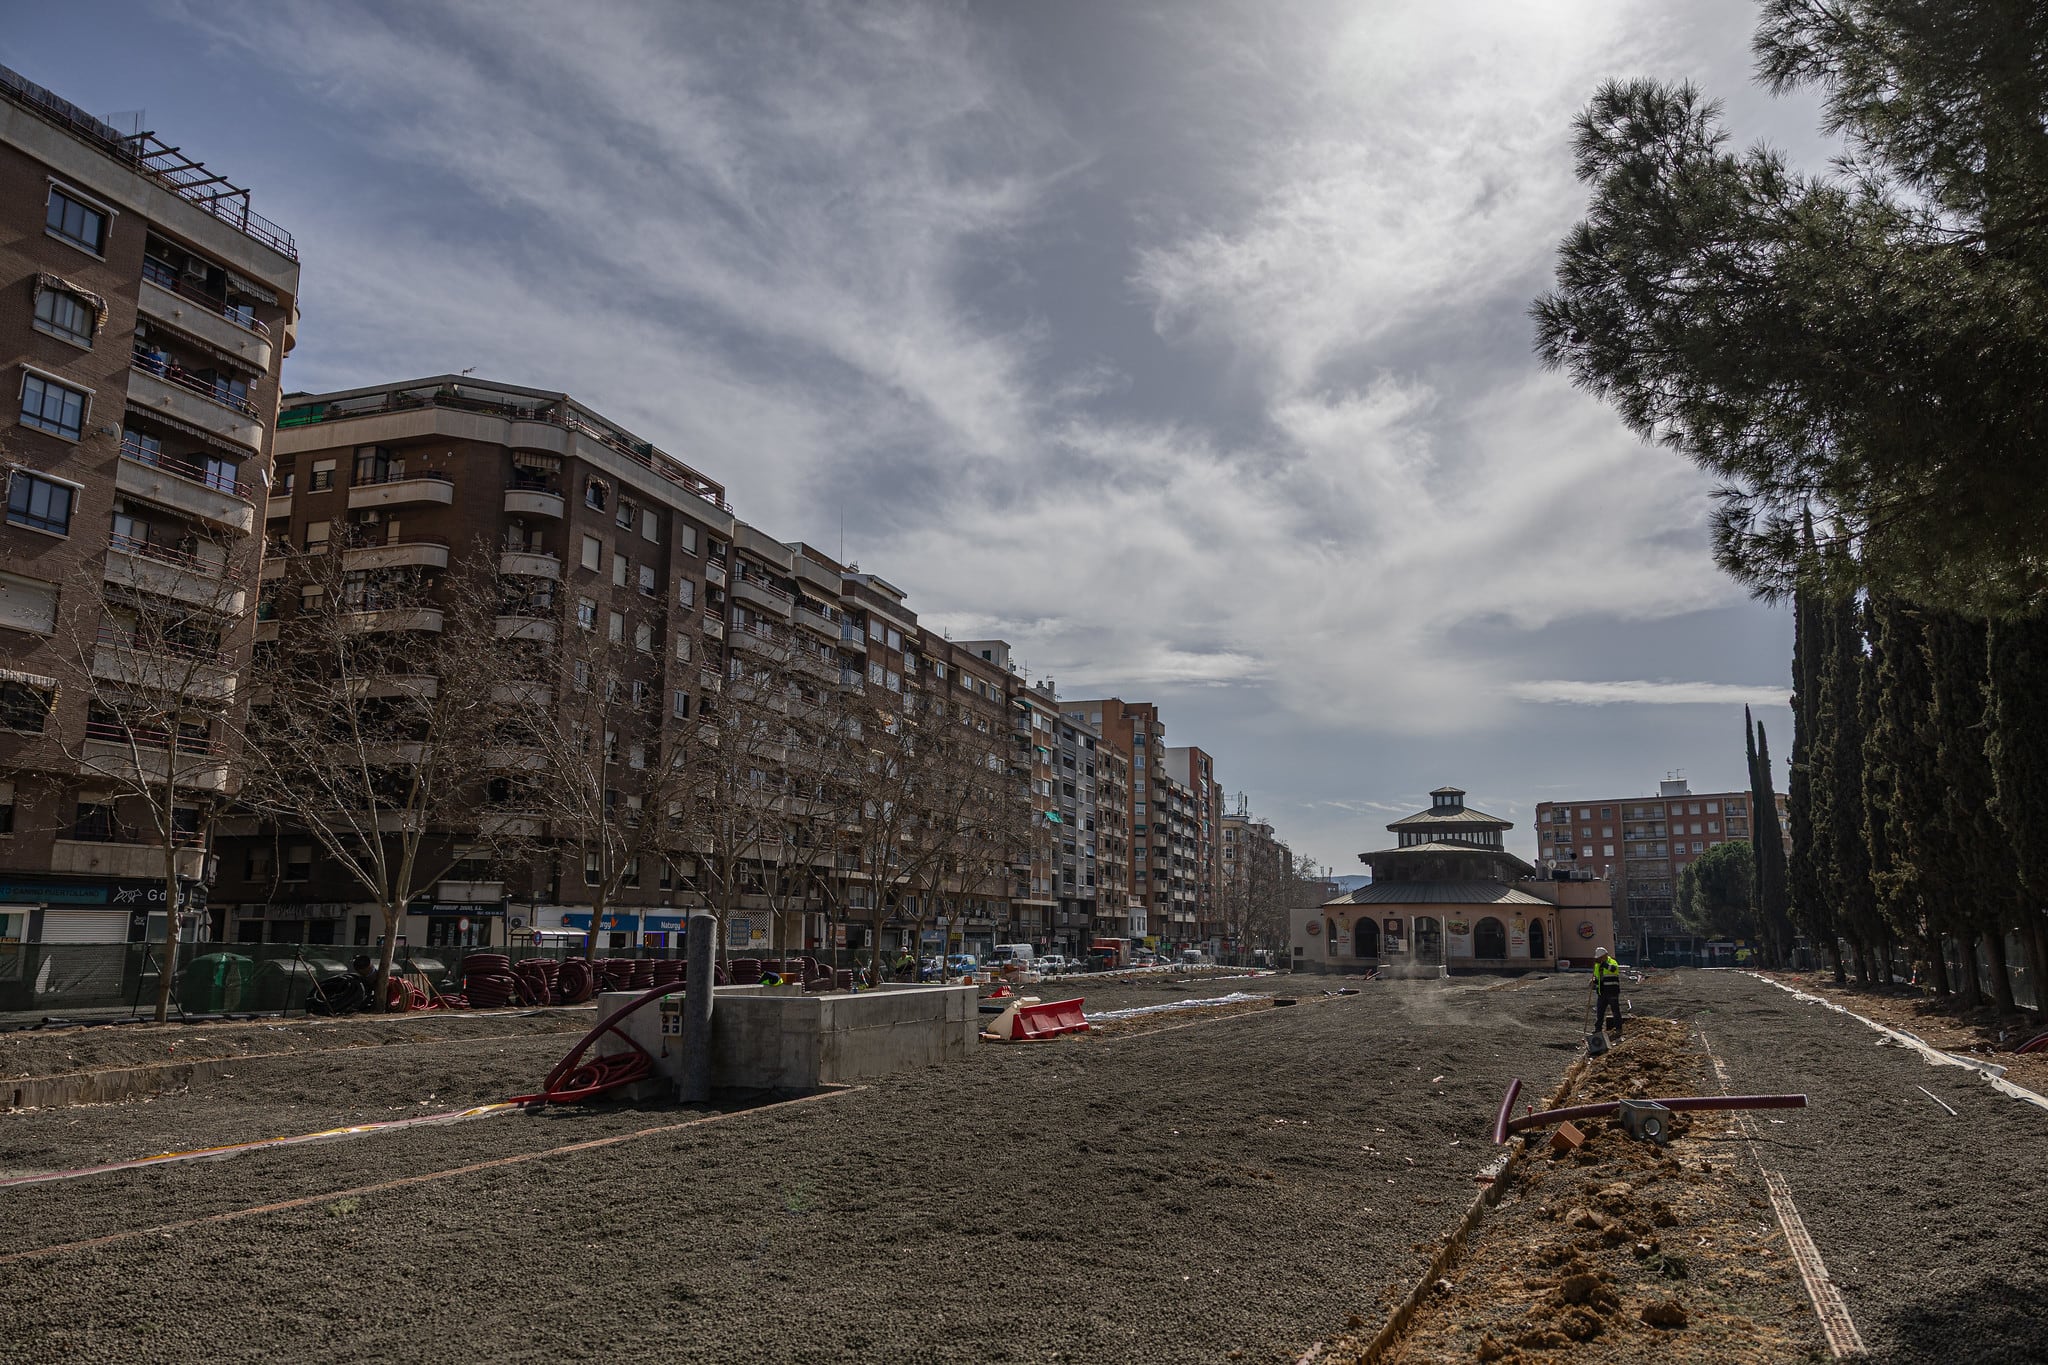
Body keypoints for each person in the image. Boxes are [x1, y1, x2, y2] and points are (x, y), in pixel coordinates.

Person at [1590, 947, 1624, 1037]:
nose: (1599, 959)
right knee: (1600, 1012)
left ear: (1605, 955)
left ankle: (1618, 1028)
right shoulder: (1597, 966)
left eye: (1600, 957)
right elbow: (1598, 978)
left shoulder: (1612, 962)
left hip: (1612, 991)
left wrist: (1603, 964)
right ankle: (1598, 1029)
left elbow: (1613, 969)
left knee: (1615, 1011)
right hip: (1602, 992)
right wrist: (1594, 981)